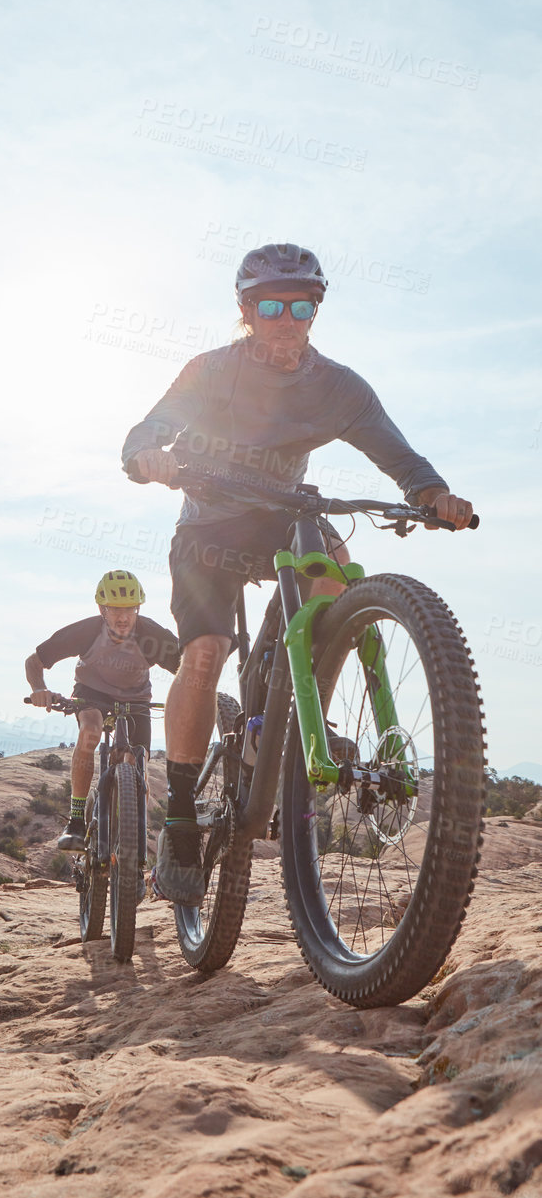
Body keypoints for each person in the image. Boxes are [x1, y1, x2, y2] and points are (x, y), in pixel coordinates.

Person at [122, 242, 475, 905]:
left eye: (301, 305)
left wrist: (433, 495)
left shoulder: (338, 386)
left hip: (284, 515)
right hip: (209, 526)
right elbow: (152, 425)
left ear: (316, 308)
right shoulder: (211, 369)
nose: (286, 318)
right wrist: (148, 453)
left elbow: (401, 458)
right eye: (270, 305)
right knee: (204, 654)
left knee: (336, 569)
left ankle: (280, 712)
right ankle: (178, 823)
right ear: (246, 311)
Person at [24, 569, 179, 853]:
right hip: (91, 695)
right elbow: (34, 660)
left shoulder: (151, 635)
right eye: (114, 609)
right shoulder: (87, 630)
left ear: (138, 608)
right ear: (101, 609)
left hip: (137, 701)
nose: (123, 617)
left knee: (137, 764)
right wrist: (39, 689)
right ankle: (76, 820)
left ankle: (132, 838)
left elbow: (186, 668)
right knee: (91, 731)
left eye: (130, 609)